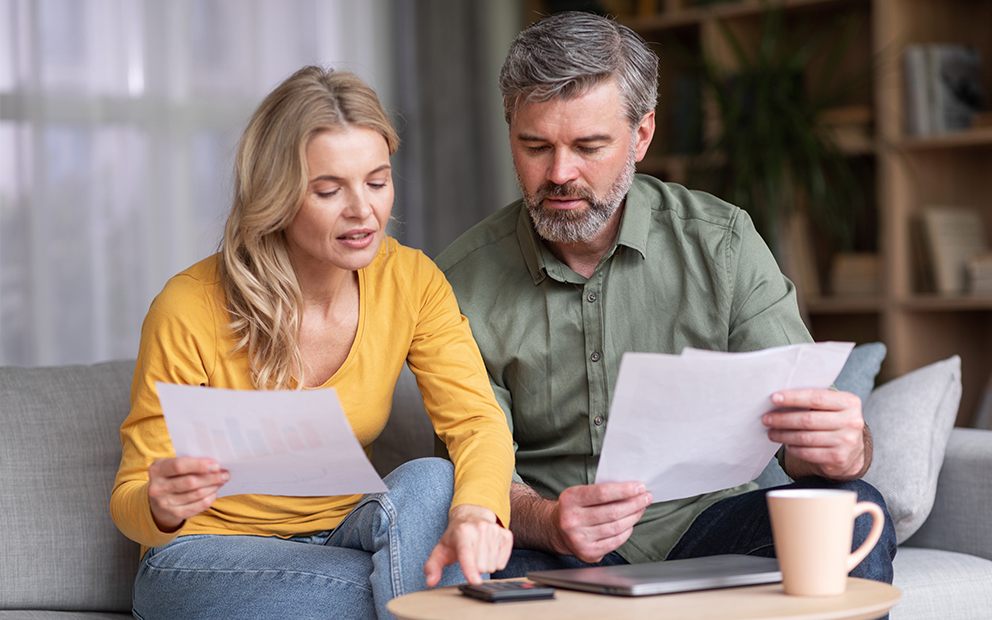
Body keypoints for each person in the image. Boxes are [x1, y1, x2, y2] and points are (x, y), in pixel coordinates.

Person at [435, 10, 896, 585]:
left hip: (710, 519)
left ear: (643, 134)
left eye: (588, 146)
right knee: (470, 573)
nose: (559, 173)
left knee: (853, 509)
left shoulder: (722, 244)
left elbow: (800, 444)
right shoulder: (456, 282)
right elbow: (478, 470)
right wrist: (550, 523)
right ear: (510, 132)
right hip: (551, 536)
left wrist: (843, 450)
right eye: (535, 146)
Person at [111, 66, 514, 620]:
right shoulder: (188, 305)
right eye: (329, 190)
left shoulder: (411, 281)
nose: (364, 210)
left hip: (348, 535)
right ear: (276, 196)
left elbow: (476, 422)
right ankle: (429, 603)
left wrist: (477, 513)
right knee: (412, 591)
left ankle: (413, 597)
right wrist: (159, 504)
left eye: (377, 181)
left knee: (436, 478)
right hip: (202, 558)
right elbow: (132, 493)